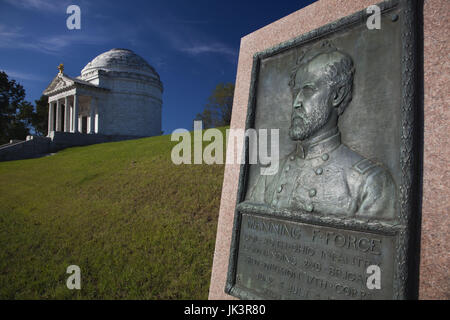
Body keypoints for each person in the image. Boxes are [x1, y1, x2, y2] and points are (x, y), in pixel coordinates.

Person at [248, 41, 396, 219]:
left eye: (308, 90)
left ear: (337, 95)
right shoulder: (269, 175)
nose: (296, 103)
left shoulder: (369, 182)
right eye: (296, 93)